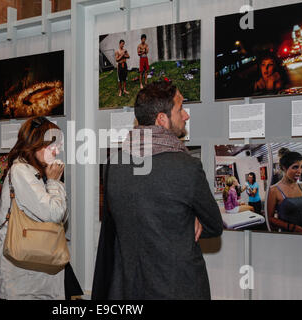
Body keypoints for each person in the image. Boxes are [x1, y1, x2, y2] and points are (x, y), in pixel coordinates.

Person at [92, 81, 223, 300]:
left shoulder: (113, 165)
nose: (186, 116)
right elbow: (214, 225)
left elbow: (117, 226)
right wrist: (192, 219)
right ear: (162, 119)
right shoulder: (186, 166)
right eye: (180, 108)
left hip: (128, 288)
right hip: (179, 287)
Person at [0, 116, 82, 300]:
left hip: (37, 271)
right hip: (26, 276)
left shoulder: (36, 172)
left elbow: (61, 217)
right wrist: (53, 182)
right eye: (51, 145)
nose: (56, 150)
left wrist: (52, 182)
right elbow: (55, 213)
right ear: (35, 144)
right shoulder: (21, 171)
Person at [267, 150, 302, 233]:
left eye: (301, 167)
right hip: (289, 235)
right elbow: (269, 218)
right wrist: (293, 228)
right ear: (284, 168)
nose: (299, 171)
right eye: (295, 167)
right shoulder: (274, 190)